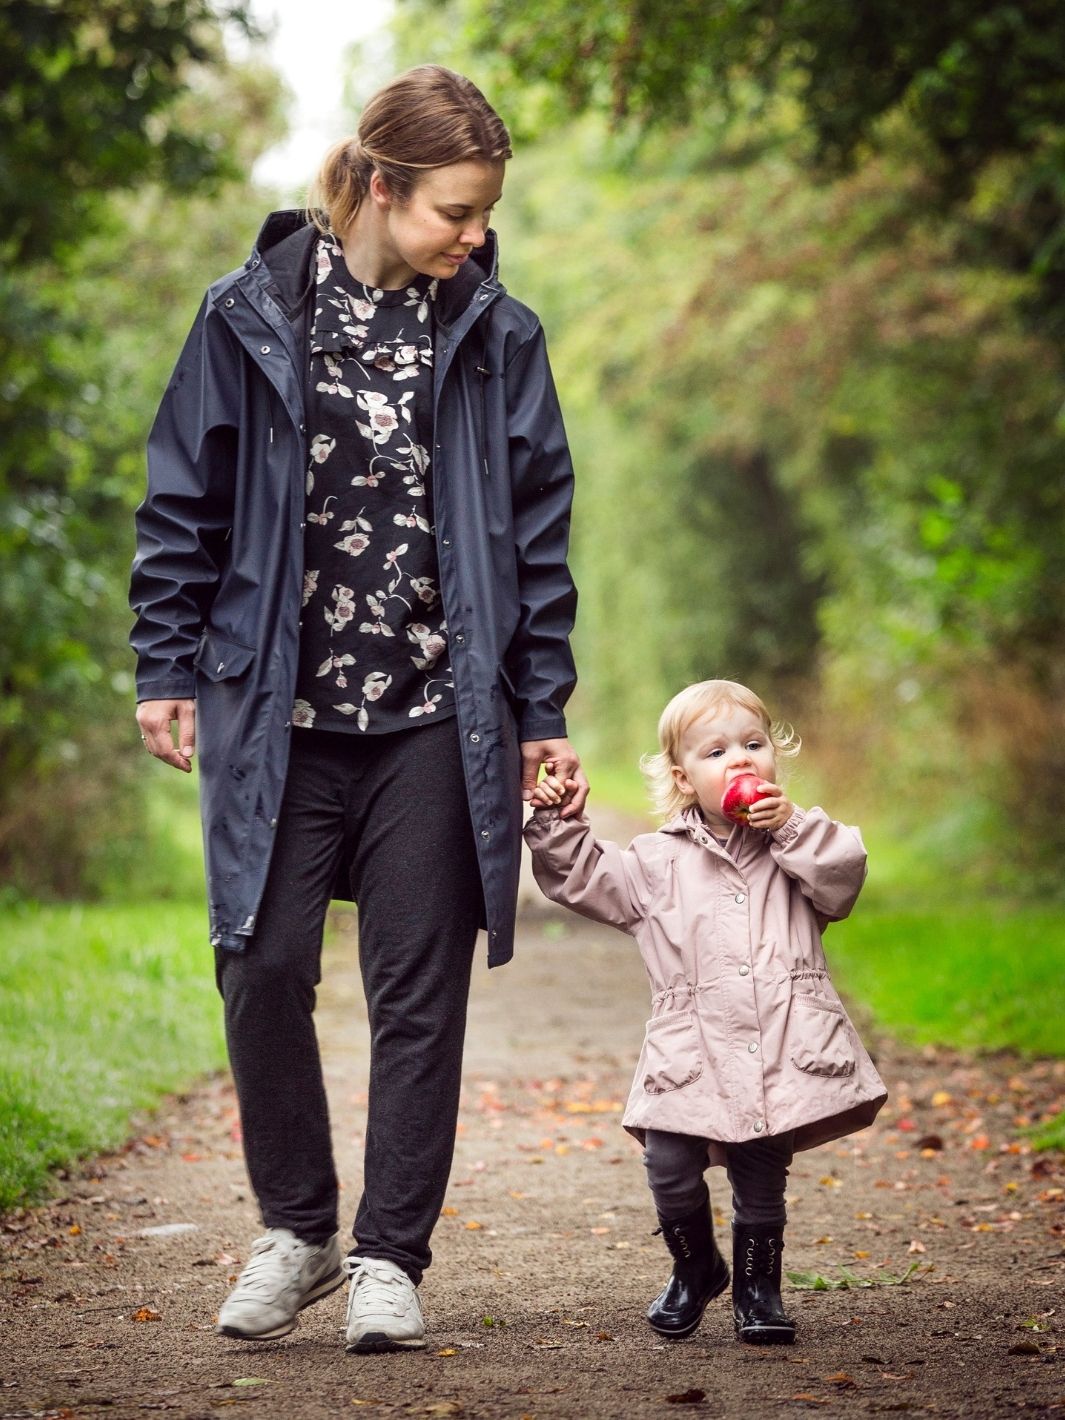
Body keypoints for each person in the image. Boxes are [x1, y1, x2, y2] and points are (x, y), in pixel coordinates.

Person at [129, 65, 587, 1354]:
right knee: (260, 963)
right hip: (277, 709)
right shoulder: (244, 317)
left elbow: (540, 540)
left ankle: (390, 1253)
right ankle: (297, 1227)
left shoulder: (501, 339)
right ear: (381, 187)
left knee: (416, 990)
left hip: (442, 716)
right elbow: (181, 505)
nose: (476, 234)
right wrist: (166, 665)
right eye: (456, 209)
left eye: (487, 212)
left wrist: (540, 707)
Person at [523, 679, 886, 1346]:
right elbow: (581, 875)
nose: (741, 760)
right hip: (688, 1048)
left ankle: (758, 1287)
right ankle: (695, 1267)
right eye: (716, 751)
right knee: (666, 1160)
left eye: (753, 744)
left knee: (760, 1172)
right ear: (682, 778)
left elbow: (843, 876)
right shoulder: (656, 861)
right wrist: (553, 821)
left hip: (779, 1042)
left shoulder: (798, 847)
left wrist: (792, 826)